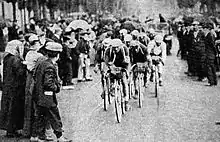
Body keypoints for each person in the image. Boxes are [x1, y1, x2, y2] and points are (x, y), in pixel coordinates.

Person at [32, 42, 72, 142]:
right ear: (57, 55)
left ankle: (36, 136)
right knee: (54, 116)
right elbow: (48, 84)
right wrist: (57, 87)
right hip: (47, 96)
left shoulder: (42, 63)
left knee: (40, 116)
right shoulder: (50, 66)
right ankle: (60, 137)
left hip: (39, 95)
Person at [0, 40, 26, 137]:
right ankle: (12, 129)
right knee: (14, 109)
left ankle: (9, 129)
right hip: (15, 87)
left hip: (8, 86)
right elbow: (20, 73)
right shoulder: (16, 60)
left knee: (8, 108)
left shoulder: (6, 58)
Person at [104, 39, 131, 111]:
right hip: (113, 64)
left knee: (124, 81)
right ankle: (111, 87)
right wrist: (110, 68)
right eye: (114, 47)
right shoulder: (108, 50)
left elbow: (128, 62)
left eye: (117, 47)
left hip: (123, 64)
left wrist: (126, 71)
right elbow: (106, 62)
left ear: (120, 46)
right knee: (108, 76)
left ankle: (126, 101)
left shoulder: (124, 49)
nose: (115, 49)